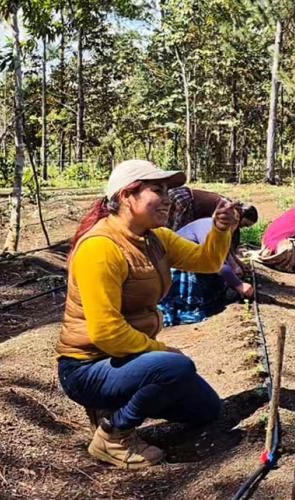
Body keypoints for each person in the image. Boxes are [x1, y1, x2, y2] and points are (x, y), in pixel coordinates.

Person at [56, 159, 238, 469]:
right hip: (86, 368)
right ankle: (113, 436)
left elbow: (206, 262)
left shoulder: (155, 239)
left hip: (125, 360)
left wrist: (221, 230)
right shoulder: (100, 248)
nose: (168, 199)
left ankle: (116, 405)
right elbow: (106, 333)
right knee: (174, 366)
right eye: (158, 190)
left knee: (207, 410)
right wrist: (163, 351)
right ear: (127, 195)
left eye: (168, 191)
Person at [159, 215, 256, 325]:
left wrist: (236, 266)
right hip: (180, 269)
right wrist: (239, 285)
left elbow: (223, 254)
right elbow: (218, 265)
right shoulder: (210, 231)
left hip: (191, 263)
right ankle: (188, 307)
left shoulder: (220, 230)